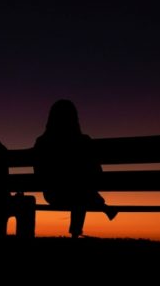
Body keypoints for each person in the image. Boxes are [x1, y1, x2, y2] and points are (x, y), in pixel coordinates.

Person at [34, 99, 117, 238]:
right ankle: (79, 229)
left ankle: (100, 210)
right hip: (77, 192)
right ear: (74, 119)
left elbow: (37, 173)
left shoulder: (41, 142)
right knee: (81, 189)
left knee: (79, 189)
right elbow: (98, 172)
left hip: (52, 195)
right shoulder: (83, 141)